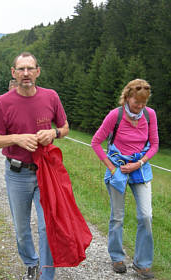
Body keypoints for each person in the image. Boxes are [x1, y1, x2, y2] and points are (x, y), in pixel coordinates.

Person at [0, 52, 69, 280]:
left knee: (47, 226)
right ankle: (31, 261)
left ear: (38, 71)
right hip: (17, 174)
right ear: (14, 73)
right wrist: (16, 138)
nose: (26, 73)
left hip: (45, 173)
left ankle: (46, 275)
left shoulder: (51, 97)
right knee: (22, 231)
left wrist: (54, 132)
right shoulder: (4, 102)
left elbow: (65, 127)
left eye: (30, 68)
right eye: (21, 69)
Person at [91, 79, 159, 279]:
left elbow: (155, 144)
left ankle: (142, 263)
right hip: (118, 168)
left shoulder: (150, 115)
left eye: (143, 103)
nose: (139, 107)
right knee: (118, 216)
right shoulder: (116, 115)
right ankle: (117, 257)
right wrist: (113, 170)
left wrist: (140, 163)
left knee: (146, 216)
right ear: (127, 97)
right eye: (136, 102)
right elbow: (95, 142)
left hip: (140, 167)